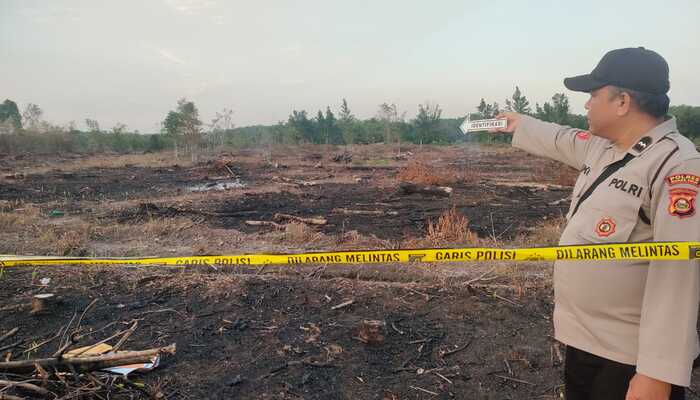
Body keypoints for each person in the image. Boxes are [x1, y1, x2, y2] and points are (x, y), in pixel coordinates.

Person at [491, 47, 700, 399]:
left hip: (629, 359)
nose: (586, 105)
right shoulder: (604, 148)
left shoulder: (677, 167)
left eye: (592, 95)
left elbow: (678, 276)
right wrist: (518, 122)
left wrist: (657, 374)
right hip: (583, 342)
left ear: (622, 101)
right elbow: (559, 138)